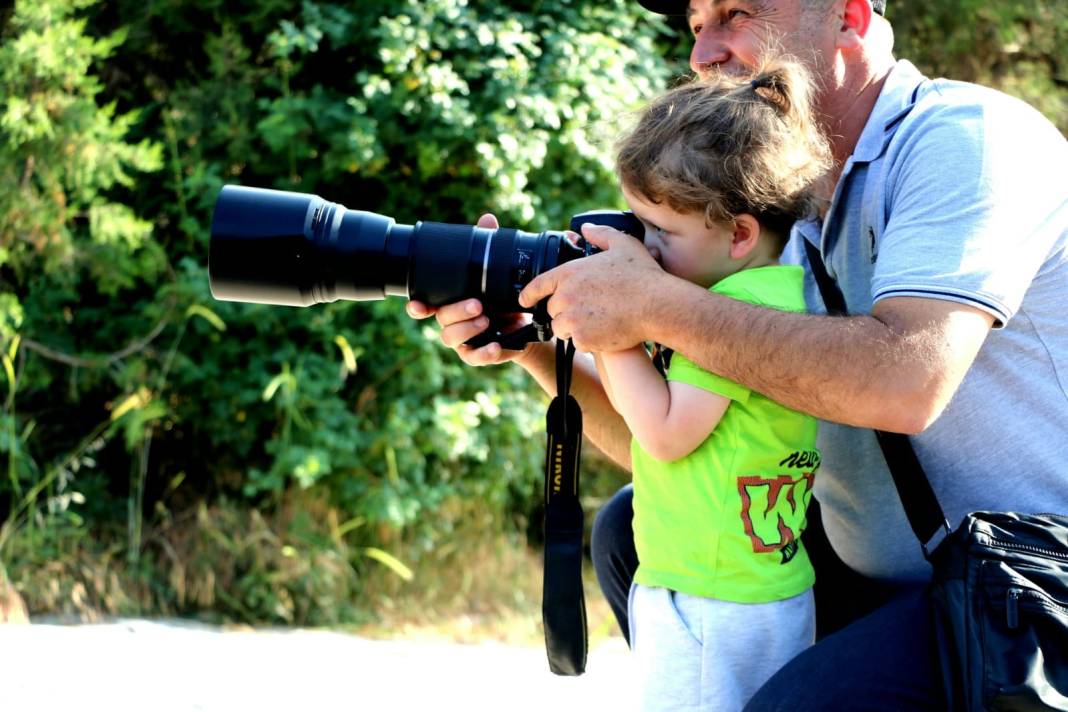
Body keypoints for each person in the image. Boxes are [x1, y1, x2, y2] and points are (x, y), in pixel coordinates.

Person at [408, 0, 1068, 707]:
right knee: (628, 531)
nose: (703, 52)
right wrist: (538, 342)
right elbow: (678, 447)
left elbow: (906, 381)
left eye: (736, 12)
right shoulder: (767, 196)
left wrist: (650, 306)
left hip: (1025, 584)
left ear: (848, 14)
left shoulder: (966, 140)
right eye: (696, 25)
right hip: (871, 572)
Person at [595, 59, 830, 711]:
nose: (644, 247)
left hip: (710, 598)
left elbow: (667, 433)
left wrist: (611, 330)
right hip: (756, 584)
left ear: (740, 233)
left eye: (661, 233)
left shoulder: (733, 312)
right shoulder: (775, 290)